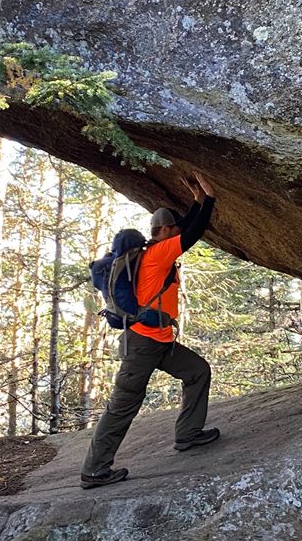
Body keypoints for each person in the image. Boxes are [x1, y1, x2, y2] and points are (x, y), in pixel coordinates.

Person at [80, 170, 220, 489]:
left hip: (159, 342)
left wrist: (197, 198)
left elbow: (184, 225)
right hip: (142, 344)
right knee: (123, 405)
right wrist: (210, 197)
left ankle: (188, 434)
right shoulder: (159, 254)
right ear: (165, 232)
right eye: (173, 230)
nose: (177, 234)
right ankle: (94, 470)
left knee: (197, 371)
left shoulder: (155, 249)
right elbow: (194, 230)